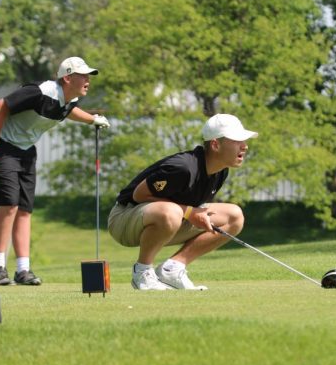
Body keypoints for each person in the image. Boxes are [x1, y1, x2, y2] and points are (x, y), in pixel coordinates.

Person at [0, 56, 109, 286]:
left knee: (24, 210)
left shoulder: (67, 100)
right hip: (3, 147)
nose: (88, 80)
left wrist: (93, 120)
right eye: (83, 76)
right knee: (9, 204)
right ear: (68, 78)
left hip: (26, 152)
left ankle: (23, 270)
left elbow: (70, 112)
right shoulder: (40, 92)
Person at [108, 113, 257, 291]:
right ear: (216, 144)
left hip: (168, 219)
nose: (244, 146)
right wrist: (189, 212)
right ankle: (142, 272)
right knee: (171, 212)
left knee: (234, 216)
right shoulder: (182, 168)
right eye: (237, 141)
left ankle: (173, 268)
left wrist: (191, 213)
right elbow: (139, 195)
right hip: (124, 219)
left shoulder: (221, 171)